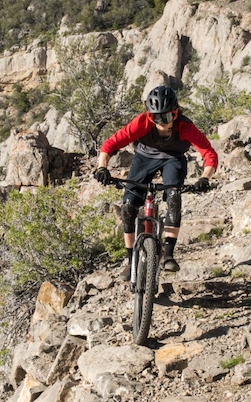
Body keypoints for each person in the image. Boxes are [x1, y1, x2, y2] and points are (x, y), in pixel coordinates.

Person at [93, 85, 218, 279]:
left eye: (166, 117)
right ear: (149, 115)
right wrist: (102, 167)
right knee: (128, 208)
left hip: (173, 158)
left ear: (175, 113)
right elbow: (111, 144)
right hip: (144, 157)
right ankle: (131, 261)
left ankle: (168, 255)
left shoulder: (185, 127)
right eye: (155, 117)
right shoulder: (142, 123)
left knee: (174, 198)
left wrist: (205, 178)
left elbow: (209, 154)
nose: (161, 123)